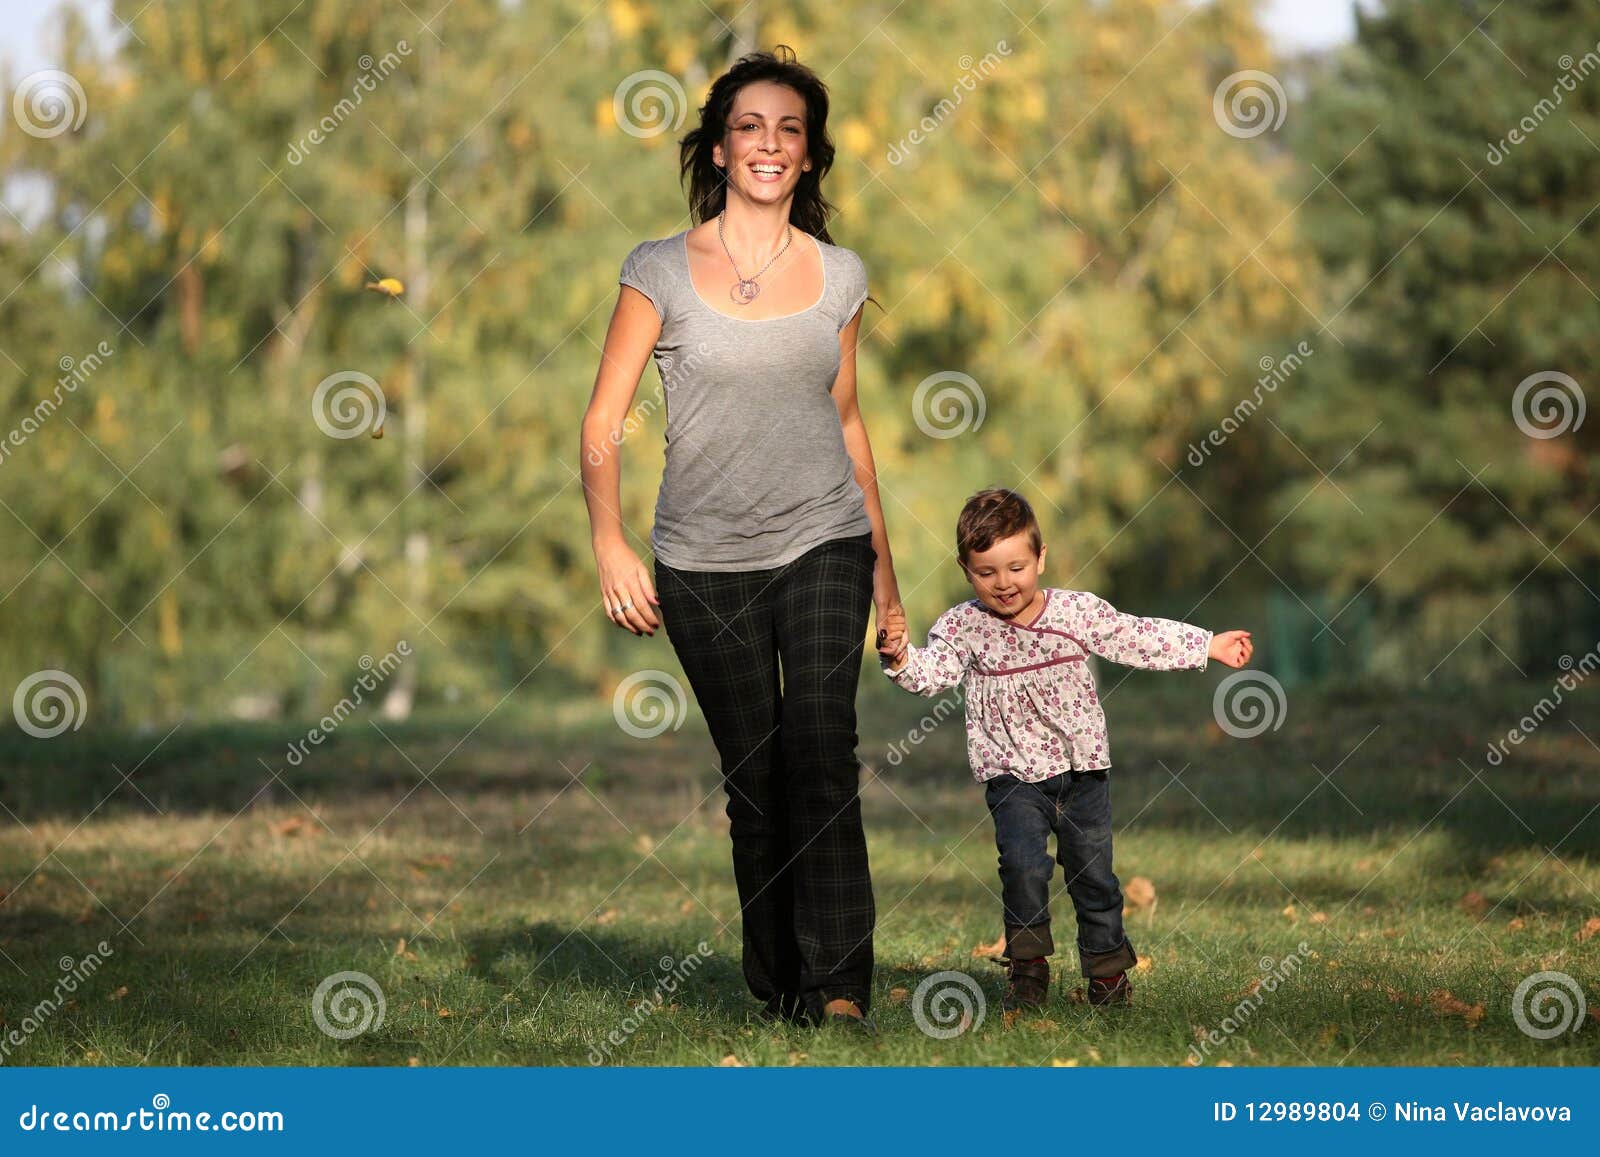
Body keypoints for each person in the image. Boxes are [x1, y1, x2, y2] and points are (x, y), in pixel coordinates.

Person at [579, 47, 901, 1030]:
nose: (770, 143)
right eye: (751, 126)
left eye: (789, 129)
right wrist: (611, 543)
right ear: (720, 149)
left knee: (820, 743)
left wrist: (888, 589)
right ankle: (782, 985)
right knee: (755, 778)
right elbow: (603, 421)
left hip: (822, 540)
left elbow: (849, 428)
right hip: (700, 562)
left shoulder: (840, 277)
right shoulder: (658, 268)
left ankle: (840, 984)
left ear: (807, 157)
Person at [875, 488, 1253, 1012]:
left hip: (1082, 774)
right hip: (1013, 777)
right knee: (1024, 869)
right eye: (987, 573)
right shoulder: (964, 627)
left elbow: (1134, 637)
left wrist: (1205, 644)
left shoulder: (1075, 612)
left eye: (1016, 567)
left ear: (1040, 557)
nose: (1004, 583)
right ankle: (1028, 969)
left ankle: (1106, 974)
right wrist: (898, 657)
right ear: (966, 570)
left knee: (1093, 876)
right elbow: (930, 674)